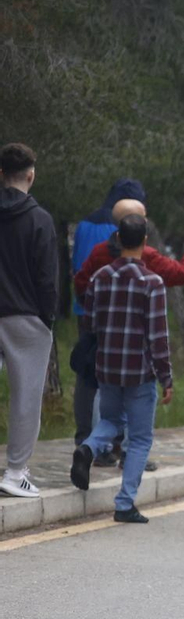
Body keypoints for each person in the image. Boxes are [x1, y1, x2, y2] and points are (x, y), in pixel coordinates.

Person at [73, 195, 184, 472]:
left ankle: (99, 448)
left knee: (104, 398)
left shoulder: (98, 254)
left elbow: (81, 282)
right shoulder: (149, 259)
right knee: (139, 403)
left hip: (105, 342)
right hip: (138, 348)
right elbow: (181, 273)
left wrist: (96, 313)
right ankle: (131, 457)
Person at [70, 215, 174, 522]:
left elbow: (89, 323)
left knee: (112, 419)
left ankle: (88, 449)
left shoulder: (100, 277)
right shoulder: (152, 283)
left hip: (107, 367)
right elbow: (158, 336)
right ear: (144, 242)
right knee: (140, 438)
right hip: (139, 372)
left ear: (117, 238)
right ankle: (125, 503)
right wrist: (166, 377)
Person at [0, 143, 59, 499]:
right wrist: (47, 319)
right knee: (25, 398)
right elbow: (47, 278)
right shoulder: (40, 220)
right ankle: (15, 472)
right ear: (31, 175)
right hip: (27, 318)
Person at [69, 179, 145, 451]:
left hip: (84, 309)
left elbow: (79, 268)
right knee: (113, 379)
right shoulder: (119, 228)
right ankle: (111, 444)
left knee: (87, 375)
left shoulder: (85, 224)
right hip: (114, 311)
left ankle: (83, 436)